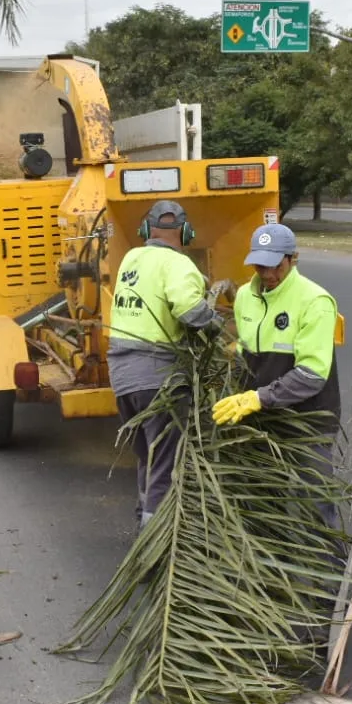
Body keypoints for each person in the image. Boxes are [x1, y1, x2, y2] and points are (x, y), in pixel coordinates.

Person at [213, 223, 343, 526]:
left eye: (275, 266)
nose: (268, 274)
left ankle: (331, 570)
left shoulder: (315, 301)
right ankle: (274, 568)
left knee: (316, 503)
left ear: (292, 258)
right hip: (263, 417)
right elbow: (245, 353)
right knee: (266, 502)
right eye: (260, 265)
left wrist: (260, 397)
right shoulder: (245, 295)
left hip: (308, 421)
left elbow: (311, 374)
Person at [108, 200, 220, 528]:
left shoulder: (131, 258)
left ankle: (142, 514)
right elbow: (187, 309)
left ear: (146, 231)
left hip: (122, 377)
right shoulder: (179, 264)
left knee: (148, 455)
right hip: (158, 378)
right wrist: (214, 324)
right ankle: (155, 538)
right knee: (166, 464)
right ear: (186, 232)